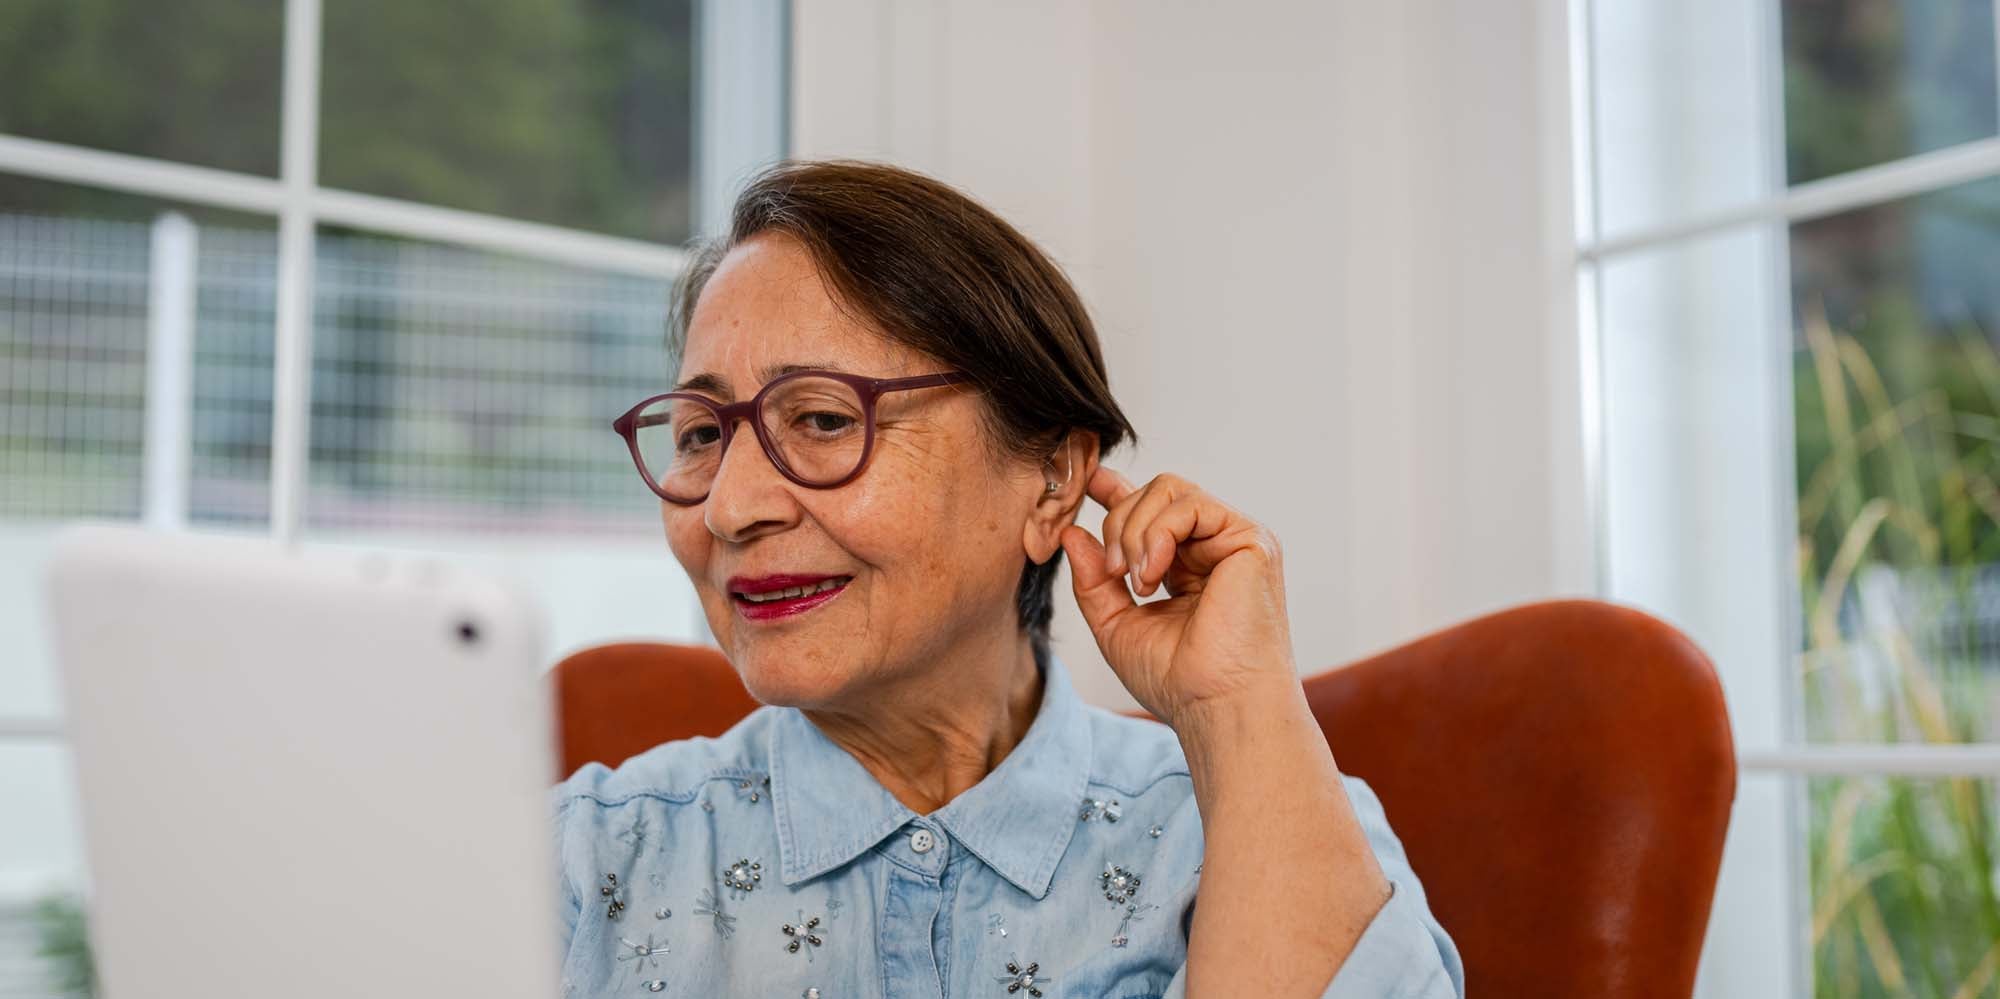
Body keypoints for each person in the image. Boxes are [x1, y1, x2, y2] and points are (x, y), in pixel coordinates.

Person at [552, 160, 1464, 998]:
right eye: (703, 435)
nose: (729, 507)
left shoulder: (1255, 824)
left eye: (823, 419)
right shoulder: (578, 861)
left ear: (1051, 482)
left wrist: (1236, 703)